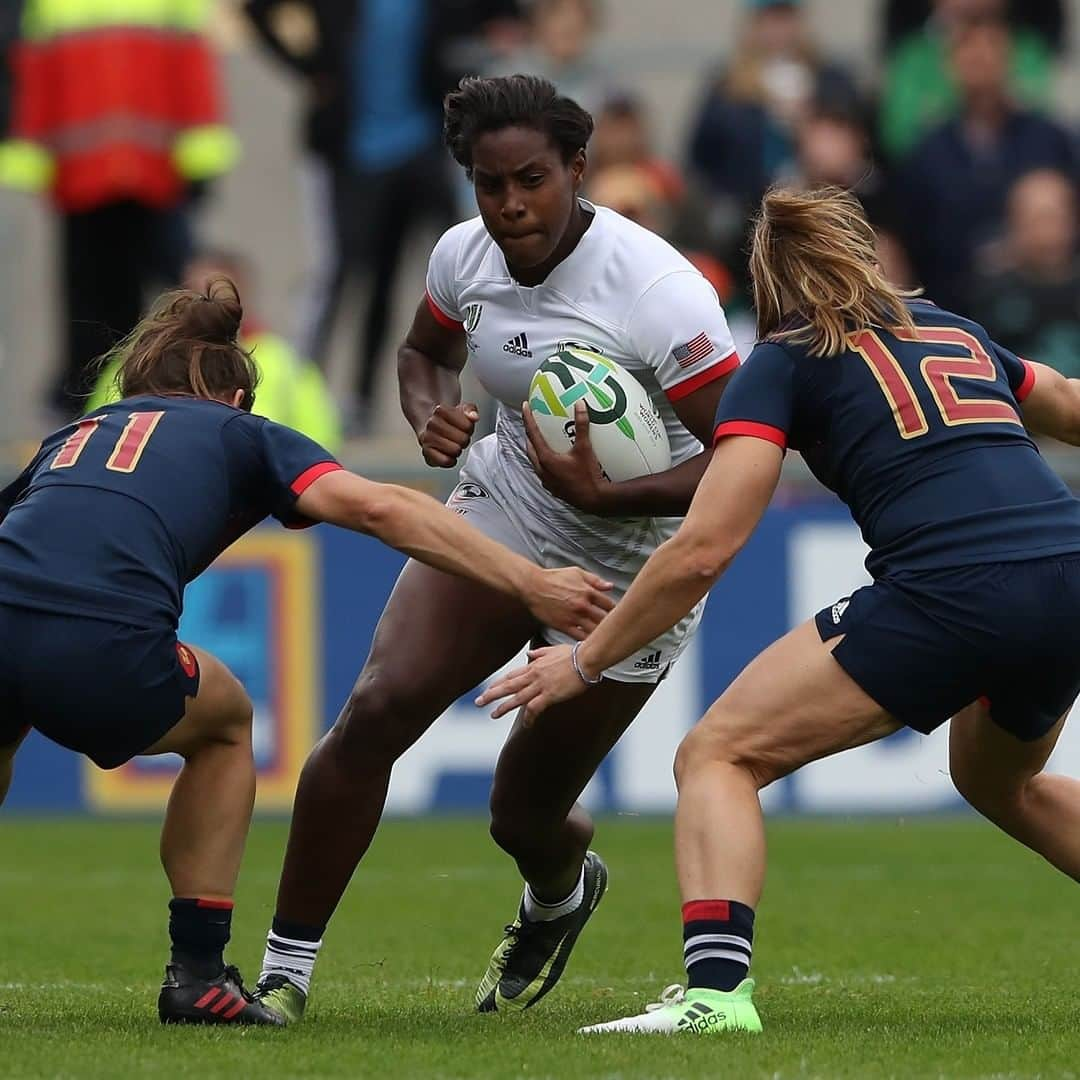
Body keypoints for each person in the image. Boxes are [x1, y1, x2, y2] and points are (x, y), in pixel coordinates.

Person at [479, 185, 1080, 1034]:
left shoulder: (786, 359)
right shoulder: (951, 329)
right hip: (1066, 572)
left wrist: (584, 660)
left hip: (951, 586)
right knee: (999, 780)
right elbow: (1064, 399)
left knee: (717, 755)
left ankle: (716, 997)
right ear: (865, 256)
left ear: (769, 283)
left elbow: (702, 549)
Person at [254, 73, 739, 1024]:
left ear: (578, 170)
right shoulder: (460, 256)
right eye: (489, 183)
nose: (510, 204)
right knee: (377, 710)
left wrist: (613, 492)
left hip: (636, 561)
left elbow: (745, 459)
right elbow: (418, 354)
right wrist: (433, 417)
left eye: (531, 180)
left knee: (520, 813)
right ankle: (283, 975)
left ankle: (560, 892)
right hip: (508, 500)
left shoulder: (658, 292)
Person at [0, 277, 614, 1026]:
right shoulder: (238, 432)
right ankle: (197, 972)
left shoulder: (71, 438)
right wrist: (532, 582)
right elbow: (380, 506)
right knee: (225, 722)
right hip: (105, 643)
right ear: (232, 397)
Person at [0, 0, 238, 419]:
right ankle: (89, 405)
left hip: (154, 174)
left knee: (179, 294)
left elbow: (193, 69)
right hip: (85, 178)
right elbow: (35, 75)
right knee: (93, 302)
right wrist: (32, 157)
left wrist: (201, 156)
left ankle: (199, 391)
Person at [898, 13, 1076, 315]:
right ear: (951, 63)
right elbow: (914, 239)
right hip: (952, 309)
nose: (981, 60)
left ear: (1009, 60)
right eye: (969, 50)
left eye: (991, 49)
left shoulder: (1050, 139)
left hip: (1041, 313)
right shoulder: (928, 151)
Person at [86, 250, 343, 451]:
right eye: (197, 295)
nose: (206, 308)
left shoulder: (285, 360)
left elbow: (320, 438)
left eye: (216, 297)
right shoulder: (141, 358)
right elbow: (99, 426)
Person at [971, 169, 1080, 378]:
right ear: (1014, 225)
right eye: (1036, 220)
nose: (1047, 233)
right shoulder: (992, 297)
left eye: (1055, 217)